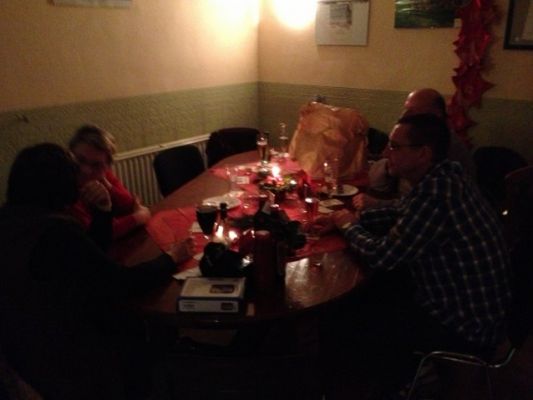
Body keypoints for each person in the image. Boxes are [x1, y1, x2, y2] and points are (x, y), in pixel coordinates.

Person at [316, 114, 511, 398]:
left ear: (423, 153)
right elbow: (401, 211)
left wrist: (347, 226)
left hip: (465, 326)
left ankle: (377, 385)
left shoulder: (436, 194)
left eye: (395, 147)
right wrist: (348, 219)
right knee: (374, 292)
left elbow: (382, 256)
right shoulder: (446, 175)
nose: (386, 153)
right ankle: (393, 374)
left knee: (353, 313)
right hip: (480, 310)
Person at [0, 143, 194, 400]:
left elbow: (89, 257)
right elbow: (122, 282)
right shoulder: (56, 232)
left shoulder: (12, 218)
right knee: (136, 319)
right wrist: (171, 258)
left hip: (18, 341)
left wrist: (102, 212)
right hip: (60, 350)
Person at [355, 88, 476, 211]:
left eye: (412, 112)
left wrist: (377, 204)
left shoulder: (445, 148)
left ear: (436, 114)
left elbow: (420, 205)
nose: (404, 116)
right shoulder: (420, 139)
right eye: (405, 110)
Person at [68, 124, 151, 240]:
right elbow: (93, 234)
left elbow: (129, 205)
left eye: (96, 165)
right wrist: (137, 218)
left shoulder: (103, 175)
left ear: (107, 166)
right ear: (70, 155)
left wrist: (107, 185)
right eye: (80, 160)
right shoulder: (65, 186)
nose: (86, 170)